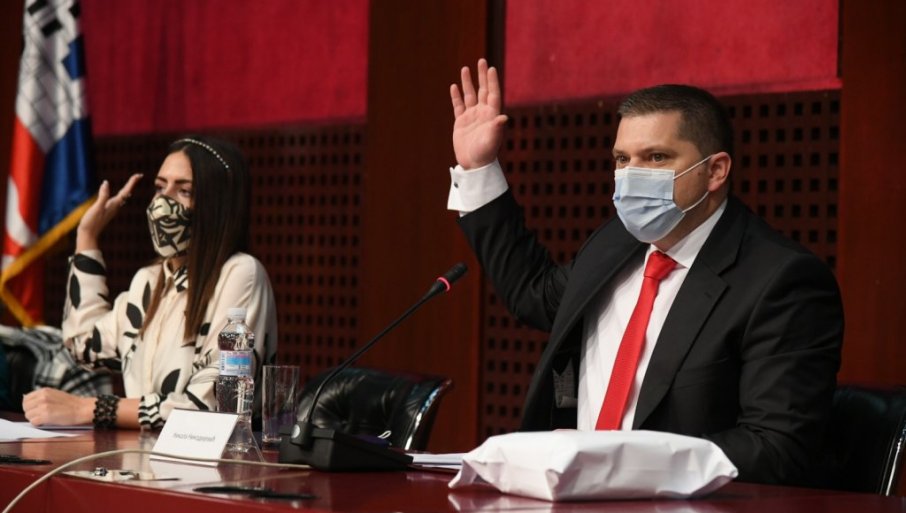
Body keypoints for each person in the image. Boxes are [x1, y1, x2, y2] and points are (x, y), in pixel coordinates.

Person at [447, 59, 843, 485]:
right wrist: (479, 168)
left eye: (656, 157)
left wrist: (622, 461)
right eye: (622, 159)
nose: (631, 176)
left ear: (715, 170)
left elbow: (777, 448)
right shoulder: (617, 241)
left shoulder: (781, 281)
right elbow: (535, 294)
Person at [22, 136, 278, 429]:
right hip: (144, 452)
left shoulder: (240, 273)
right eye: (160, 187)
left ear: (216, 205)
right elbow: (82, 345)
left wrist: (88, 408)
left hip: (218, 456)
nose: (162, 203)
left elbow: (210, 407)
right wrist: (87, 238)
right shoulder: (150, 279)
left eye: (184, 190)